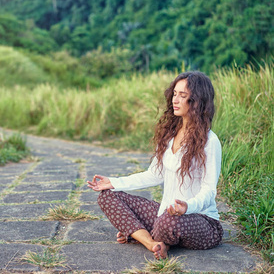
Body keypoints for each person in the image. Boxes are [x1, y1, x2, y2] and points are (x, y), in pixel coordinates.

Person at [87, 71, 223, 259]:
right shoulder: (171, 135)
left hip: (202, 221)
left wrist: (187, 207)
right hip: (166, 213)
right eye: (174, 94)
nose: (175, 100)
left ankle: (138, 234)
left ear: (198, 101)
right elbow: (153, 174)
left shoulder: (210, 141)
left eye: (183, 96)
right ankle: (152, 243)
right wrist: (114, 182)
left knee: (167, 223)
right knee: (107, 197)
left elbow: (209, 191)